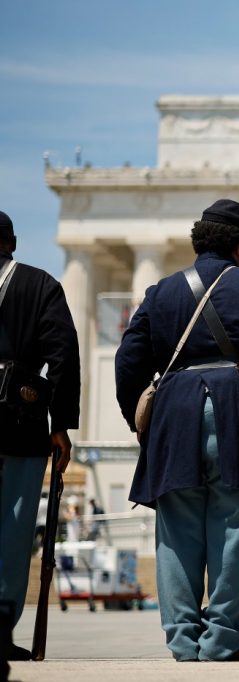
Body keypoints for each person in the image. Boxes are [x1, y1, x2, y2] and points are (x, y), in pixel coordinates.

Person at [115, 199, 239, 662]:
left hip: (175, 415)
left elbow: (128, 362)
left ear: (198, 242)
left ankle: (182, 639)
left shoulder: (161, 293)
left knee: (177, 530)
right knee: (237, 529)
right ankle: (220, 639)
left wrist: (139, 423)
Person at [0, 209, 80, 661]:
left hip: (19, 428)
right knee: (12, 532)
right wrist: (61, 425)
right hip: (19, 425)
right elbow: (64, 355)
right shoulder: (39, 285)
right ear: (11, 243)